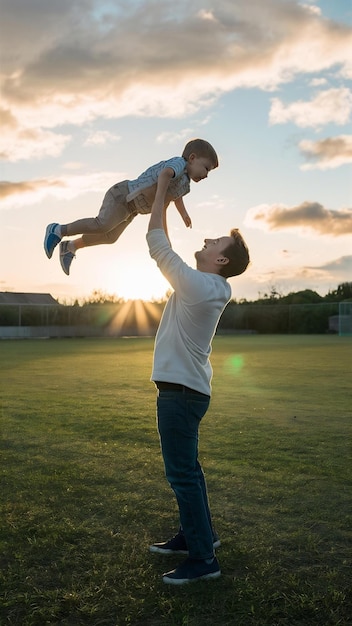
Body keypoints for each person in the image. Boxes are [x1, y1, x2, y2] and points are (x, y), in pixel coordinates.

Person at [146, 189, 250, 585]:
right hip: (186, 391)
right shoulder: (207, 285)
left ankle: (204, 559)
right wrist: (172, 201)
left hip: (181, 395)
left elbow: (158, 245)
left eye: (216, 242)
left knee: (182, 475)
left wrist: (160, 193)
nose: (207, 240)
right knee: (190, 472)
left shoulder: (204, 287)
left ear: (220, 259)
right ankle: (196, 535)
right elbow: (167, 246)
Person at [43, 138, 218, 275]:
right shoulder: (179, 163)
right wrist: (159, 201)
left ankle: (70, 247)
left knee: (110, 237)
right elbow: (165, 175)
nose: (206, 175)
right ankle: (58, 230)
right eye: (206, 168)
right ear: (193, 158)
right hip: (123, 195)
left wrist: (184, 215)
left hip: (132, 210)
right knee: (102, 224)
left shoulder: (185, 184)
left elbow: (175, 198)